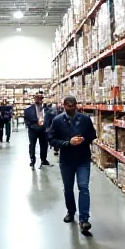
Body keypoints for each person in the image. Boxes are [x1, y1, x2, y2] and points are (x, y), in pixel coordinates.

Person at [47, 95, 97, 235]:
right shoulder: (57, 121)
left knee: (83, 187)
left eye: (73, 106)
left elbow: (92, 134)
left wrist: (83, 139)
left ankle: (84, 219)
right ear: (64, 106)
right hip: (67, 159)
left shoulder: (85, 120)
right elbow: (51, 139)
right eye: (68, 106)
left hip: (83, 158)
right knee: (68, 188)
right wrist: (68, 143)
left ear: (76, 105)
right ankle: (71, 211)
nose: (71, 108)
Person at [24, 91, 51, 168]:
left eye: (40, 98)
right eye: (37, 98)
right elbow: (26, 120)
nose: (39, 99)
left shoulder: (47, 109)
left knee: (44, 145)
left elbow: (51, 118)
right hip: (33, 130)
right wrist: (32, 125)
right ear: (34, 99)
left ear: (42, 99)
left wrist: (48, 127)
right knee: (32, 145)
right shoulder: (28, 110)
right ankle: (32, 160)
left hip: (44, 130)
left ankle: (43, 159)